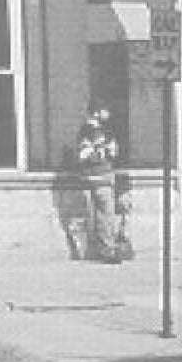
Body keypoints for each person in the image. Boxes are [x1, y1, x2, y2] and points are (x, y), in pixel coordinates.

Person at [66, 108, 130, 263]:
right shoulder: (91, 131)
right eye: (104, 110)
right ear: (96, 112)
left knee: (102, 214)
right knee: (106, 214)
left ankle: (104, 248)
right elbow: (86, 155)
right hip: (100, 177)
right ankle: (108, 249)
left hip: (99, 177)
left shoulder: (94, 130)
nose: (108, 113)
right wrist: (101, 147)